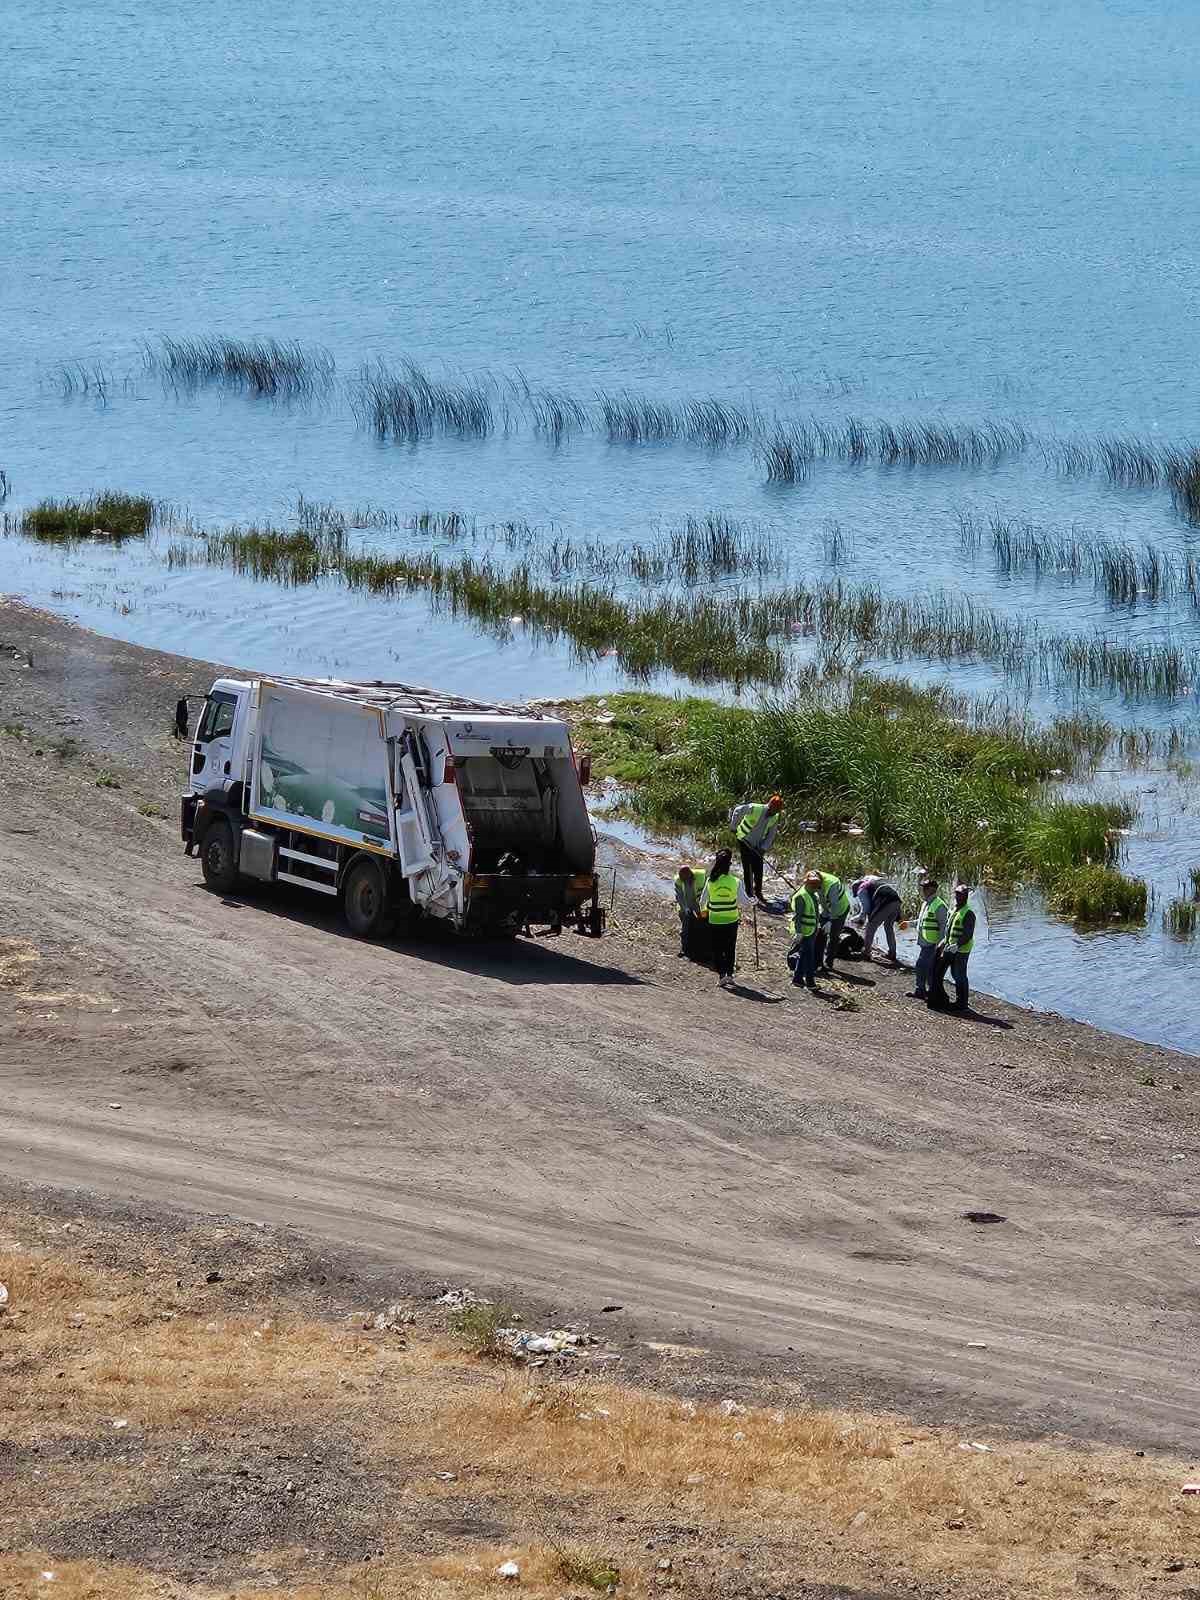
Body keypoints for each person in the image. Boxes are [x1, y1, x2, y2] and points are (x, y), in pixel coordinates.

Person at [698, 846, 755, 989]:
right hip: (731, 920)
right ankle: (729, 975)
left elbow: (702, 902)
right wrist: (754, 901)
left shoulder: (710, 881)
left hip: (715, 920)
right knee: (730, 948)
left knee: (717, 948)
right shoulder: (736, 881)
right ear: (729, 865)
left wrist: (704, 912)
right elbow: (745, 901)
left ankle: (721, 975)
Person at [730, 795, 783, 904]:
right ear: (770, 805)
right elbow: (737, 810)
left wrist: (763, 848)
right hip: (744, 839)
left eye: (778, 810)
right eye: (775, 809)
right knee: (747, 867)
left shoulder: (775, 817)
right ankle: (749, 893)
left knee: (758, 868)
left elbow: (771, 835)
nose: (776, 812)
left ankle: (758, 892)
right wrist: (733, 827)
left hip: (757, 845)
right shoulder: (755, 808)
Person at [935, 883, 976, 1012]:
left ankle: (962, 1004)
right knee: (947, 973)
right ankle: (950, 999)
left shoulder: (968, 913)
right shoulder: (954, 910)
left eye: (961, 895)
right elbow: (949, 929)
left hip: (961, 950)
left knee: (959, 975)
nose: (958, 897)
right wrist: (943, 943)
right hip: (950, 948)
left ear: (966, 896)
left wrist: (957, 945)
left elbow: (968, 934)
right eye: (957, 894)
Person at [910, 876, 948, 1000]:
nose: (923, 890)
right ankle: (927, 991)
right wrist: (908, 923)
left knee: (922, 966)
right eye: (923, 887)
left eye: (926, 888)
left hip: (933, 944)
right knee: (926, 968)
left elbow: (944, 927)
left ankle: (924, 991)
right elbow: (921, 921)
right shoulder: (925, 903)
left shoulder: (939, 905)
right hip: (925, 943)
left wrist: (940, 946)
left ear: (932, 889)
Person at [851, 871, 903, 963]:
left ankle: (866, 953)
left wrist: (858, 919)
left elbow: (866, 908)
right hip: (896, 899)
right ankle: (892, 953)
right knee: (888, 927)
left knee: (870, 926)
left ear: (856, 889)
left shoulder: (861, 889)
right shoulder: (873, 883)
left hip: (885, 901)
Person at [787, 871, 822, 990]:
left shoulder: (812, 895)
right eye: (812, 884)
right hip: (804, 931)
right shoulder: (801, 896)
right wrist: (798, 932)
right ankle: (810, 982)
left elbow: (816, 912)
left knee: (803, 954)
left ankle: (797, 979)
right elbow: (798, 916)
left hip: (812, 929)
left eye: (816, 884)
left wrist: (818, 926)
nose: (815, 887)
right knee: (809, 956)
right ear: (806, 883)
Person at [813, 869, 851, 974]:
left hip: (839, 911)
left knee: (834, 937)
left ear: (820, 882)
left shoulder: (832, 884)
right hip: (826, 909)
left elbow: (834, 905)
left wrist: (830, 921)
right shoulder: (813, 878)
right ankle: (817, 962)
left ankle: (828, 963)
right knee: (820, 934)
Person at [673, 863, 708, 958]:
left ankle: (702, 950)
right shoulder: (679, 881)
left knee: (704, 925)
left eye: (687, 878)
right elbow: (679, 897)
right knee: (685, 928)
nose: (685, 880)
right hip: (685, 906)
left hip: (700, 905)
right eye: (683, 879)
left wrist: (701, 909)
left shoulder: (701, 877)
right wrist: (685, 908)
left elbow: (704, 893)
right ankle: (684, 949)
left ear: (690, 874)